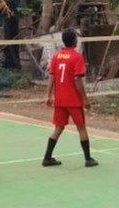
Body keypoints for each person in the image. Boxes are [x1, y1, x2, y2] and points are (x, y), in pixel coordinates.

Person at [42, 28, 98, 168]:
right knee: (81, 128)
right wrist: (85, 98)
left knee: (58, 127)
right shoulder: (77, 57)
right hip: (73, 99)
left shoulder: (56, 56)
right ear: (74, 40)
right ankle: (88, 158)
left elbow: (52, 77)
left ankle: (47, 157)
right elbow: (77, 79)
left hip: (60, 99)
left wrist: (48, 95)